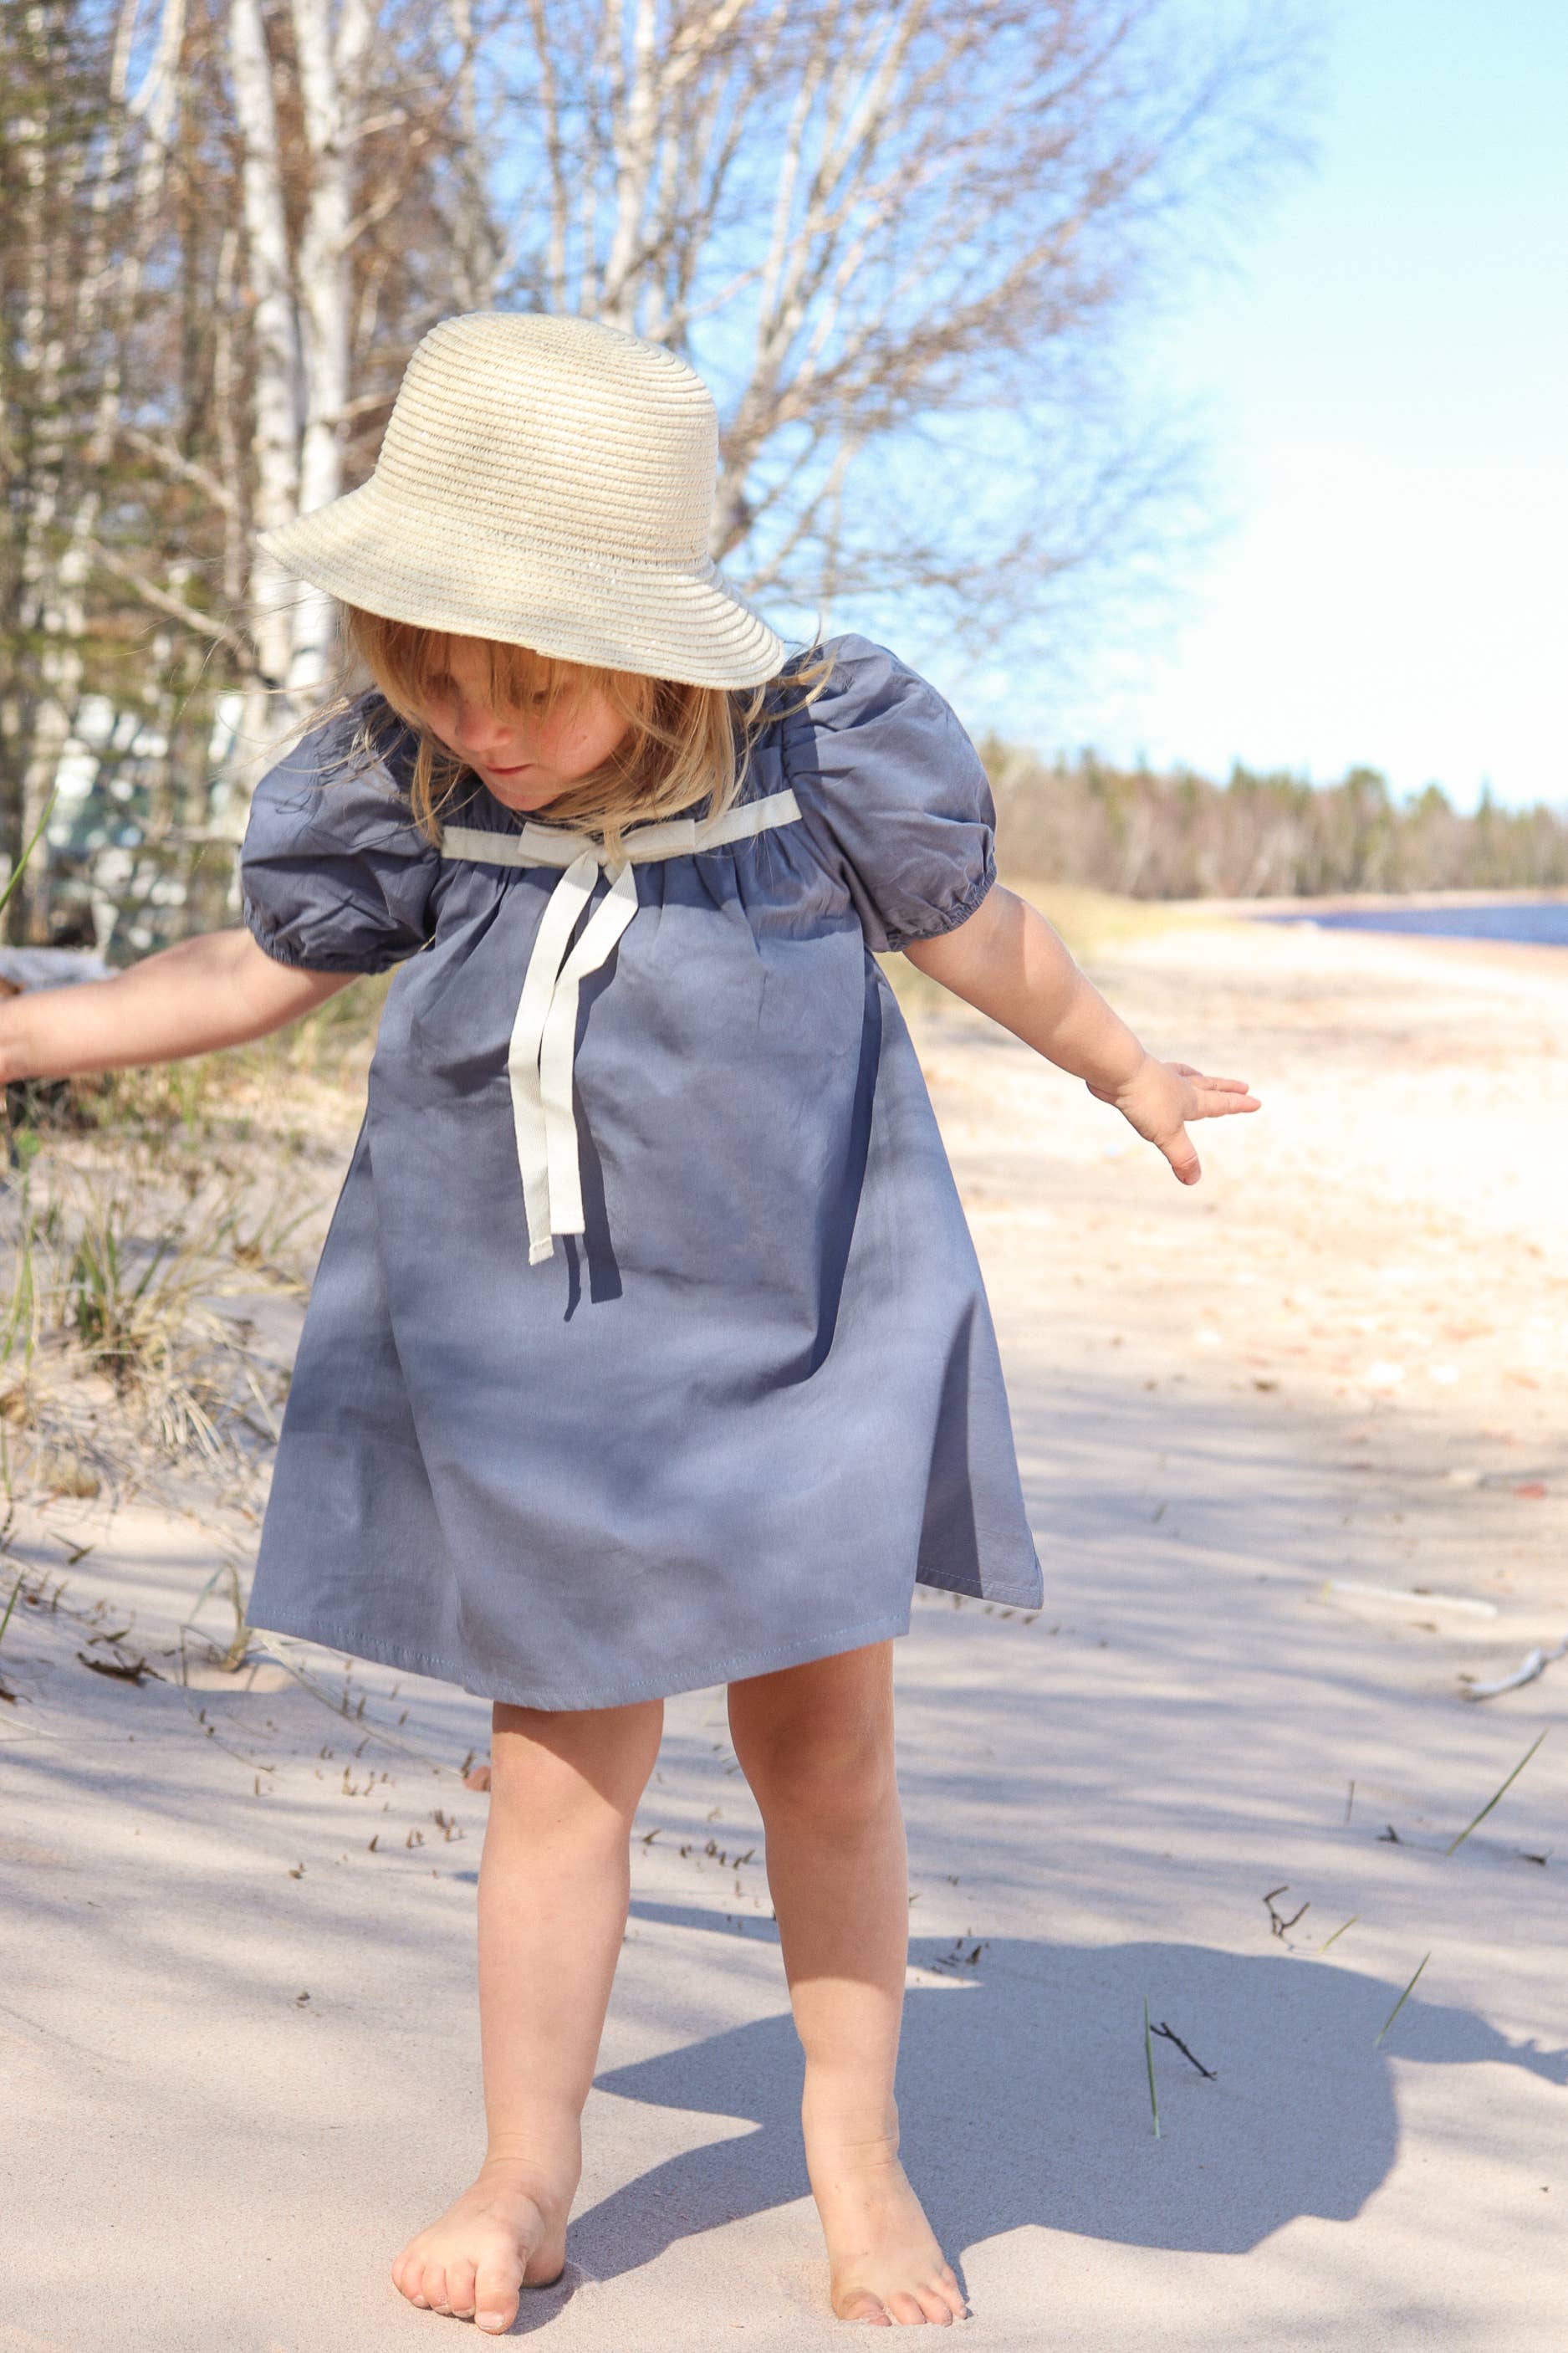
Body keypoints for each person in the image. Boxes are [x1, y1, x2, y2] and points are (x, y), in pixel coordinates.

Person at [0, 312, 1259, 2332]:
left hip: (796, 1329)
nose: (476, 716)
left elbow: (979, 937)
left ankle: (857, 2155)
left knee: (821, 1750)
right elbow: (248, 968)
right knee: (553, 1770)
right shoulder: (411, 790)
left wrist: (1128, 1071)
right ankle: (526, 2173)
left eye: (526, 679)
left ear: (658, 643)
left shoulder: (819, 757)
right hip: (541, 1367)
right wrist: (35, 1033)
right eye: (431, 667)